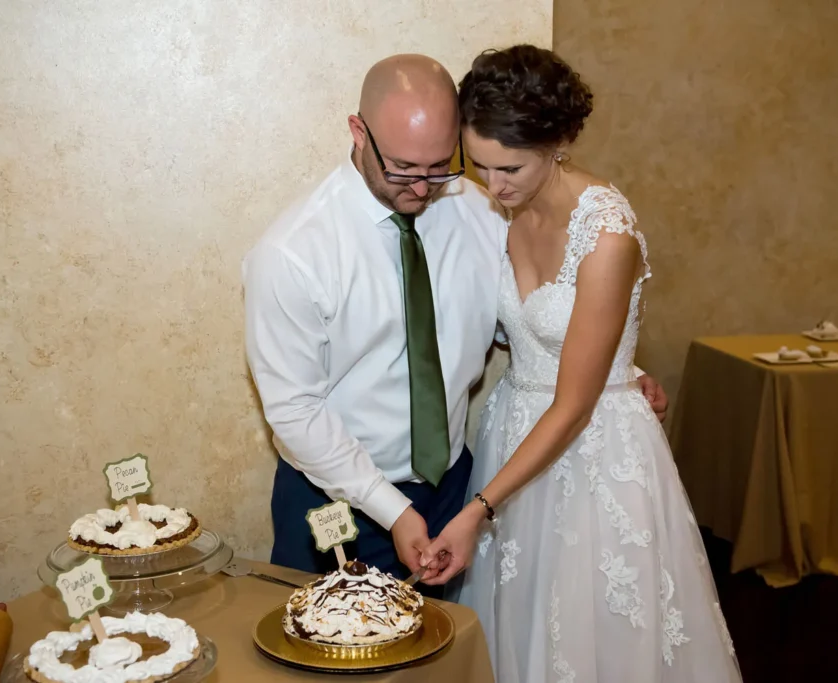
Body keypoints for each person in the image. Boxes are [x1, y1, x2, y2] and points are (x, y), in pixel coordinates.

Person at [242, 54, 669, 598]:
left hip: (453, 490)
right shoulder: (292, 253)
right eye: (402, 168)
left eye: (439, 167)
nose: (422, 188)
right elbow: (294, 410)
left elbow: (531, 314)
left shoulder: (481, 208)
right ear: (357, 131)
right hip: (337, 500)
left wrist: (616, 370)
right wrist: (391, 510)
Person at [418, 45, 742, 680]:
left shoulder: (607, 233)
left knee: (591, 630)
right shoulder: (495, 209)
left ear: (558, 142)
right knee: (520, 623)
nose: (494, 186)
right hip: (515, 428)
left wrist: (477, 511)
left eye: (509, 168)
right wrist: (627, 363)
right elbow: (537, 330)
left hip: (591, 451)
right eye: (478, 165)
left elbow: (574, 404)